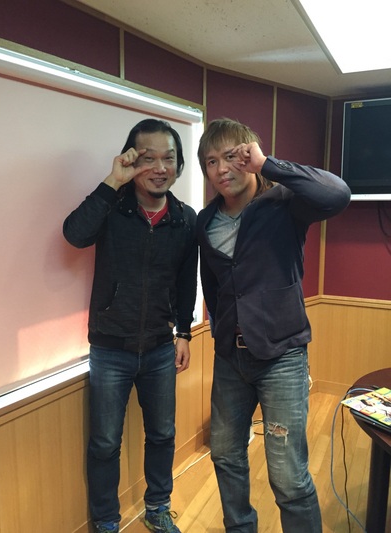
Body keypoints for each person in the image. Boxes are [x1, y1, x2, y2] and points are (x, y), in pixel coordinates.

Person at [196, 118, 351, 533]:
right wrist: (221, 332)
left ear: (249, 155)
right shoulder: (205, 221)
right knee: (225, 455)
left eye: (231, 156)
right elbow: (213, 286)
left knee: (288, 477)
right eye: (211, 161)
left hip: (282, 357)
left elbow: (338, 194)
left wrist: (268, 165)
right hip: (230, 360)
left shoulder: (284, 203)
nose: (221, 169)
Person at [63, 119, 197, 533]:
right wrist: (111, 182)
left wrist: (184, 332)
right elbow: (74, 234)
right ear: (131, 161)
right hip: (110, 348)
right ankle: (106, 521)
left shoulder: (184, 218)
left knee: (163, 434)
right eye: (148, 158)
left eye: (168, 158)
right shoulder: (113, 208)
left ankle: (158, 507)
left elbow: (185, 280)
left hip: (159, 347)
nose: (160, 168)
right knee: (105, 442)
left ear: (179, 165)